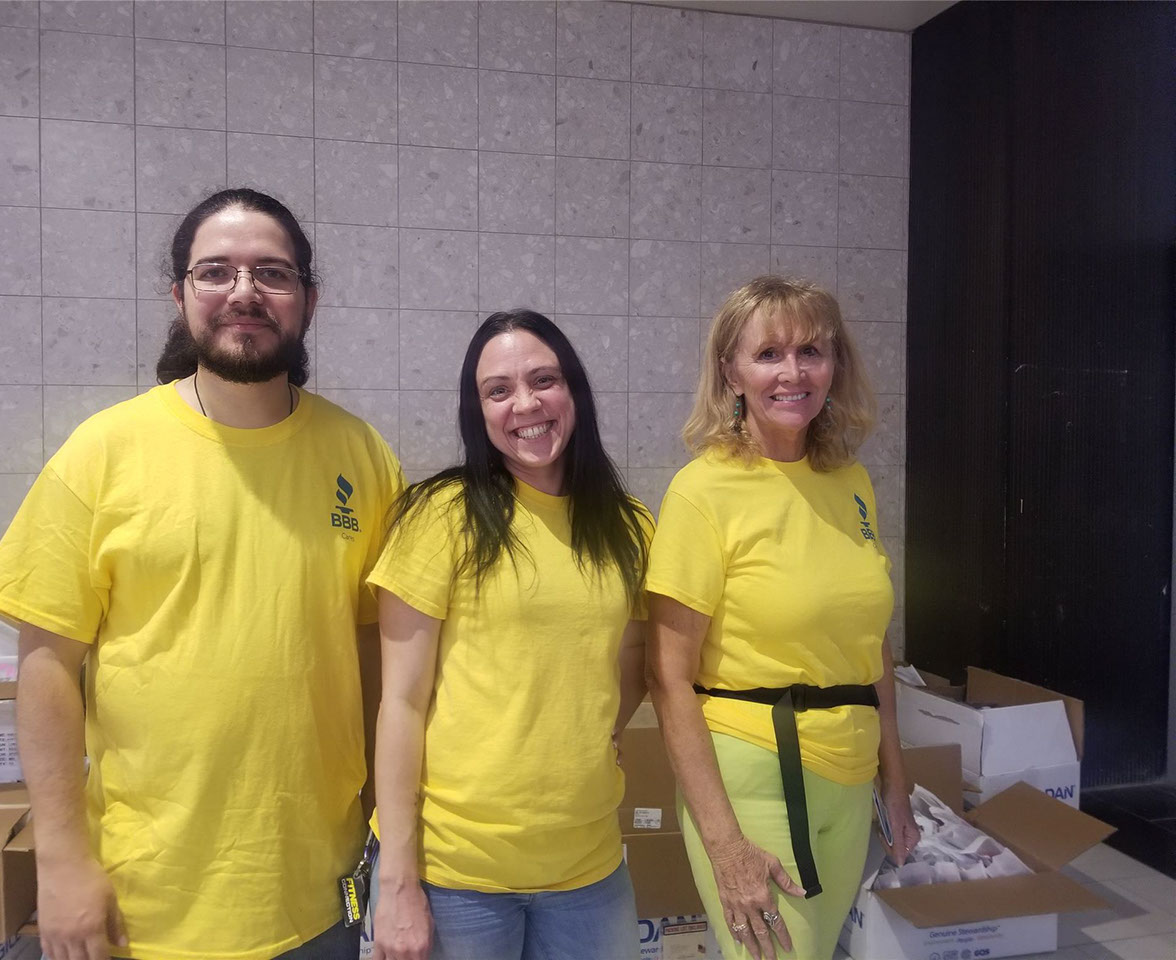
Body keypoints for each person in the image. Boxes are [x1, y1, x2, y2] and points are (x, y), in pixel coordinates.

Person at [0, 189, 403, 960]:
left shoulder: (362, 457)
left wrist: (392, 843)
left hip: (322, 898)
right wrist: (62, 863)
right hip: (149, 905)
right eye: (216, 272)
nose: (244, 291)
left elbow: (380, 662)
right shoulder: (102, 452)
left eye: (272, 272)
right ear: (180, 296)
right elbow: (45, 669)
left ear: (309, 298)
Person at [645, 276, 920, 960]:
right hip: (755, 773)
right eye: (768, 354)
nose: (793, 372)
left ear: (836, 366)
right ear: (730, 373)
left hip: (849, 778)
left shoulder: (850, 483)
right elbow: (668, 677)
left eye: (812, 351)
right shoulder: (703, 491)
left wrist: (895, 781)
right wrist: (724, 844)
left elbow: (871, 649)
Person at [367, 310, 652, 960]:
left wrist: (592, 733)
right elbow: (401, 703)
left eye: (543, 380)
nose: (525, 404)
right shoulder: (439, 516)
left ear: (572, 391)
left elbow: (635, 654)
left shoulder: (628, 526)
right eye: (498, 390)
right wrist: (398, 880)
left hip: (589, 867)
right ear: (479, 411)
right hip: (455, 872)